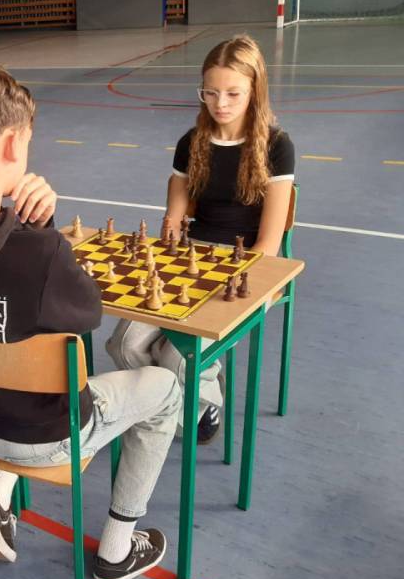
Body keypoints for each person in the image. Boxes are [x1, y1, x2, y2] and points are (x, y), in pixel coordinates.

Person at [0, 60, 181, 579]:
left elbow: (5, 282)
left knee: (14, 361)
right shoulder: (41, 253)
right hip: (45, 438)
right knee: (166, 389)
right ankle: (118, 548)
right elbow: (88, 314)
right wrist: (44, 231)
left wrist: (30, 229)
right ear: (13, 144)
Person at [106, 34, 295, 444]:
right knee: (123, 344)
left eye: (233, 93)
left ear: (255, 90)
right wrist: (168, 247)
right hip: (192, 257)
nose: (220, 103)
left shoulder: (277, 146)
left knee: (177, 356)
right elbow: (173, 221)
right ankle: (176, 405)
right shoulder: (190, 143)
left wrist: (228, 288)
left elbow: (269, 243)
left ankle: (199, 399)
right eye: (210, 92)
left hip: (244, 265)